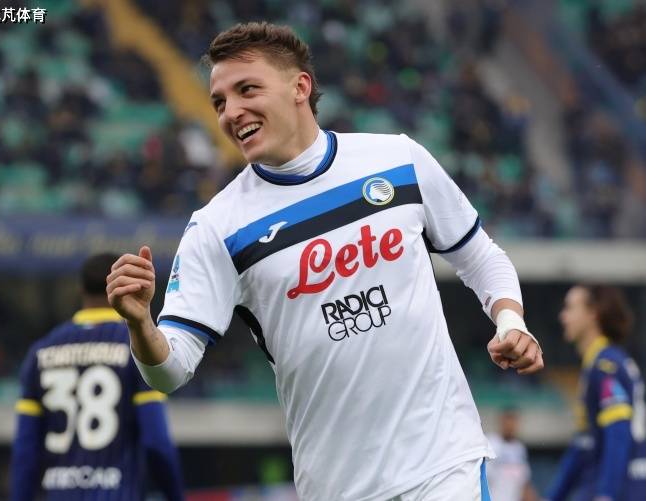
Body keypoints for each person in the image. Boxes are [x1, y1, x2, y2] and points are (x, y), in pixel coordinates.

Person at [107, 22, 544, 500]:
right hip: (336, 487)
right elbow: (169, 372)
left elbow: (480, 255)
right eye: (219, 102)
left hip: (444, 465)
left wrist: (510, 321)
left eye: (247, 89)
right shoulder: (217, 226)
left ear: (300, 87)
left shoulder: (398, 161)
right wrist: (140, 324)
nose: (231, 112)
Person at [10, 253, 184, 501]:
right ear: (125, 286)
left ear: (81, 289)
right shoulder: (139, 349)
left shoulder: (40, 352)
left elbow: (25, 451)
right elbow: (156, 443)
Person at [545, 285, 646, 501]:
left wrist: (606, 494)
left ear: (593, 313)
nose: (563, 316)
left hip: (625, 488)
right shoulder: (600, 363)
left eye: (570, 308)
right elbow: (583, 444)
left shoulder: (605, 366)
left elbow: (618, 432)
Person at [486, 407, 539, 501]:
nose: (510, 426)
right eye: (508, 422)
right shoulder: (491, 443)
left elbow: (524, 482)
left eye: (513, 422)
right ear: (501, 422)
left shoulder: (519, 448)